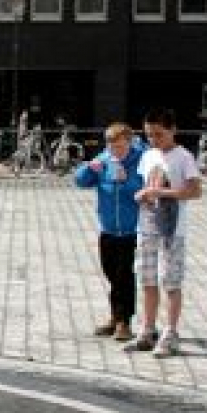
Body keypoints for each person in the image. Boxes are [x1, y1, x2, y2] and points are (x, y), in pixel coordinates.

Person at [127, 108, 202, 357]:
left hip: (173, 229)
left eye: (159, 134)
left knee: (171, 281)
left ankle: (170, 333)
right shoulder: (148, 156)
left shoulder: (183, 157)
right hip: (147, 225)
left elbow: (194, 191)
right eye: (149, 135)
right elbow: (147, 185)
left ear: (173, 130)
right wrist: (143, 196)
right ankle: (147, 330)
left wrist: (160, 193)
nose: (154, 140)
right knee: (146, 279)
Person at [74, 122, 144, 341]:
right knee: (111, 273)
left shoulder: (139, 160)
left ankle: (124, 322)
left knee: (124, 275)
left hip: (130, 229)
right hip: (107, 228)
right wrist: (88, 168)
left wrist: (127, 181)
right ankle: (115, 317)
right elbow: (79, 181)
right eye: (112, 147)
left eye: (121, 147)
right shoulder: (104, 160)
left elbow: (143, 188)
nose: (116, 151)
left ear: (129, 143)